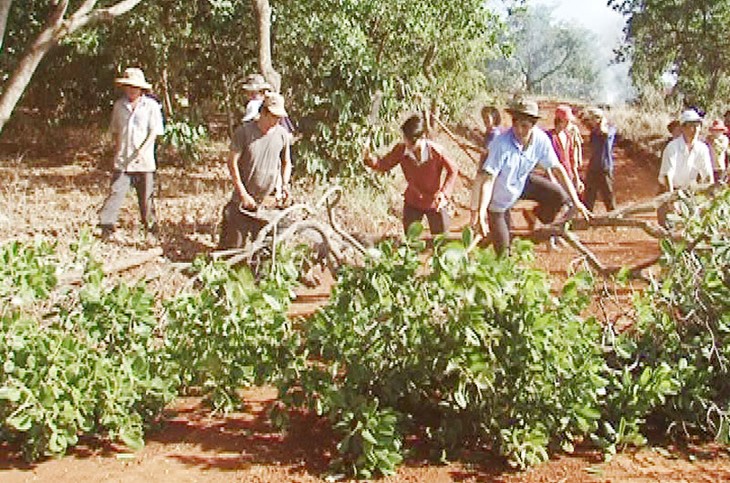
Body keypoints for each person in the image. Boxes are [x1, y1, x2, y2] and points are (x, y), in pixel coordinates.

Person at [471, 99, 590, 254]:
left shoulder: (541, 140)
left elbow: (558, 170)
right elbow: (488, 181)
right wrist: (480, 212)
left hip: (521, 183)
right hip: (499, 199)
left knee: (559, 196)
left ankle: (535, 217)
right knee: (503, 252)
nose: (518, 130)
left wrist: (576, 202)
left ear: (533, 125)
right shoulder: (500, 144)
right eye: (515, 124)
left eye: (524, 126)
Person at [219, 91, 292, 249]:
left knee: (265, 250)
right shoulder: (244, 132)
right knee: (233, 248)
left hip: (267, 203)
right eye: (274, 117)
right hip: (243, 201)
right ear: (264, 112)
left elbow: (286, 162)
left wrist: (285, 185)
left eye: (280, 118)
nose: (277, 121)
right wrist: (243, 193)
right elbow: (232, 163)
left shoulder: (282, 135)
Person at [363, 114, 458, 235]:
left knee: (442, 240)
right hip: (413, 201)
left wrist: (444, 194)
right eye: (405, 138)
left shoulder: (436, 152)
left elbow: (453, 169)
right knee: (410, 241)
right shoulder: (401, 150)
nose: (407, 143)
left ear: (422, 137)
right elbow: (384, 164)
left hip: (434, 202)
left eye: (411, 141)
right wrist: (369, 158)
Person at [99, 67, 164, 240]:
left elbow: (155, 131)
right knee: (116, 192)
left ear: (141, 88)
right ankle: (106, 227)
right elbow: (116, 131)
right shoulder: (119, 106)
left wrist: (143, 150)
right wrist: (117, 152)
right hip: (124, 159)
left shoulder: (151, 106)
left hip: (144, 161)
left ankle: (151, 230)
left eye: (134, 87)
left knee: (146, 198)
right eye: (128, 86)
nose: (131, 90)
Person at [657, 109, 714, 226]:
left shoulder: (702, 149)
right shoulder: (672, 147)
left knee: (690, 230)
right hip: (668, 191)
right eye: (691, 126)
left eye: (698, 125)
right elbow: (668, 175)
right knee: (668, 230)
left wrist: (708, 197)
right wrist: (671, 200)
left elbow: (707, 175)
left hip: (689, 193)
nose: (695, 129)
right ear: (682, 128)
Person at [470, 105, 503, 226]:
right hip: (483, 168)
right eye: (484, 119)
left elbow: (488, 151)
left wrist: (471, 147)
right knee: (476, 195)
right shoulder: (488, 133)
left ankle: (479, 222)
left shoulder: (495, 134)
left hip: (489, 170)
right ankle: (474, 222)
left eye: (487, 119)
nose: (485, 121)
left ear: (494, 118)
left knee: (482, 196)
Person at [582, 107, 617, 212]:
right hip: (593, 167)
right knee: (589, 196)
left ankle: (614, 222)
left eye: (592, 119)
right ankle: (586, 221)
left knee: (608, 196)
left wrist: (602, 121)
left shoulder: (610, 128)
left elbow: (606, 133)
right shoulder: (593, 133)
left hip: (605, 168)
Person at [547, 104, 583, 192]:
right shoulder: (549, 137)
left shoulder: (568, 135)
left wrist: (577, 178)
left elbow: (571, 159)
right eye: (567, 120)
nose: (569, 123)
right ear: (560, 121)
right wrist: (551, 178)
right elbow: (545, 161)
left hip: (568, 176)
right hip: (555, 177)